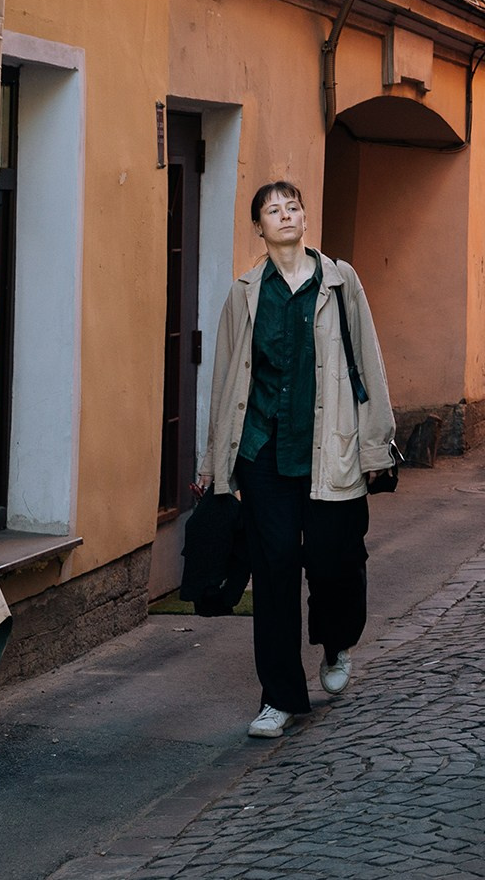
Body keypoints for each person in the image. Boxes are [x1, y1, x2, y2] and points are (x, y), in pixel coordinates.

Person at [199, 180, 398, 740]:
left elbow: (369, 360)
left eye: (293, 207)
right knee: (276, 570)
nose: (285, 216)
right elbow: (226, 376)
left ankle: (336, 644)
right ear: (258, 229)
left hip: (329, 448)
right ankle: (279, 697)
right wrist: (217, 459)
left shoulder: (340, 280)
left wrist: (375, 444)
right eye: (272, 210)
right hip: (264, 450)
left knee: (335, 563)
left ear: (305, 218)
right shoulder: (244, 292)